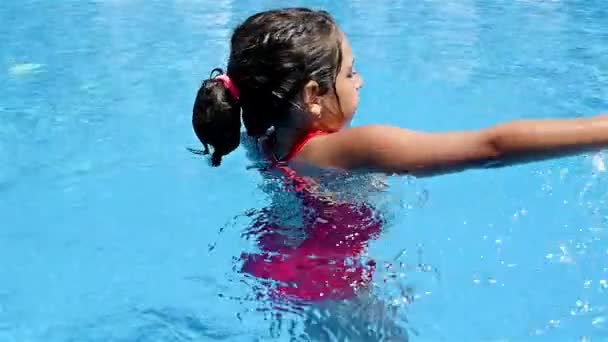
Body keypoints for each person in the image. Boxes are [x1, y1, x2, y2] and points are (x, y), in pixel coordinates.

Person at [191, 6, 606, 306]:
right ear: (313, 98)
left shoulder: (261, 133)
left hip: (274, 258)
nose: (361, 80)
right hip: (333, 280)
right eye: (350, 73)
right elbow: (490, 148)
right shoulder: (353, 149)